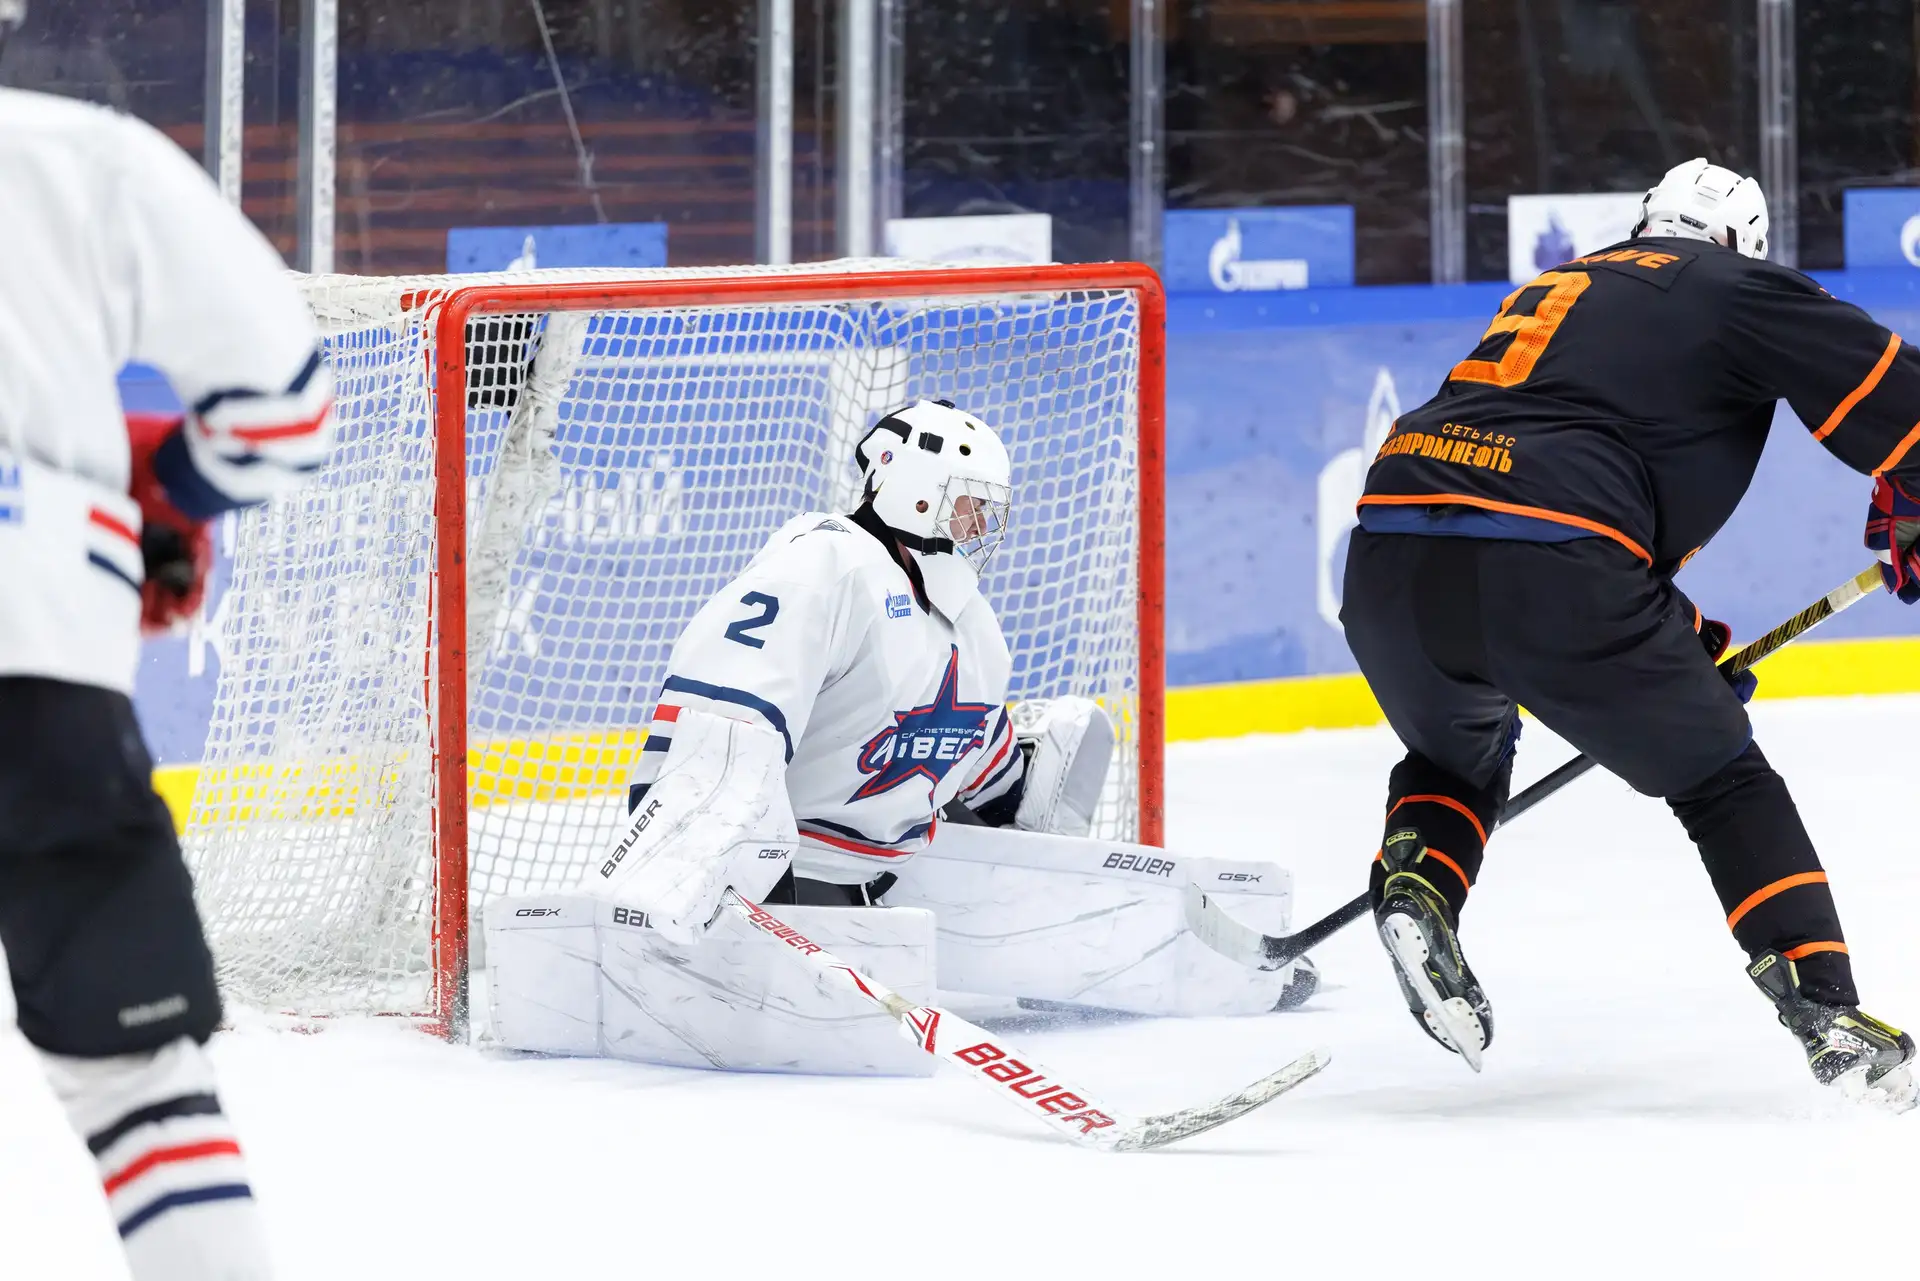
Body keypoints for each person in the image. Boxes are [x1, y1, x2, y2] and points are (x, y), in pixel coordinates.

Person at [484, 400, 1311, 1073]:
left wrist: (1034, 820)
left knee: (1064, 734)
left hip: (887, 900)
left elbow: (969, 760)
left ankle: (1209, 953)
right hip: (768, 896)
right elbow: (724, 721)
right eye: (969, 503)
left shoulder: (973, 627)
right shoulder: (824, 566)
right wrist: (697, 859)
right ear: (916, 490)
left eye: (989, 510)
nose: (981, 525)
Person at [1342, 157, 1918, 1109]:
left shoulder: (1562, 283)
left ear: (1648, 222)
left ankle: (1419, 883)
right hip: (1556, 568)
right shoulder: (1737, 284)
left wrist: (1678, 642)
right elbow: (1895, 391)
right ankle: (1828, 1012)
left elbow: (1532, 483)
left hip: (1389, 556)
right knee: (1723, 780)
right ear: (1743, 244)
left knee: (1455, 756)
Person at [0, 13, 337, 1275]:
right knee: (135, 1077)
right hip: (33, 653)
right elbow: (283, 412)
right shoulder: (76, 155)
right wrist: (162, 496)